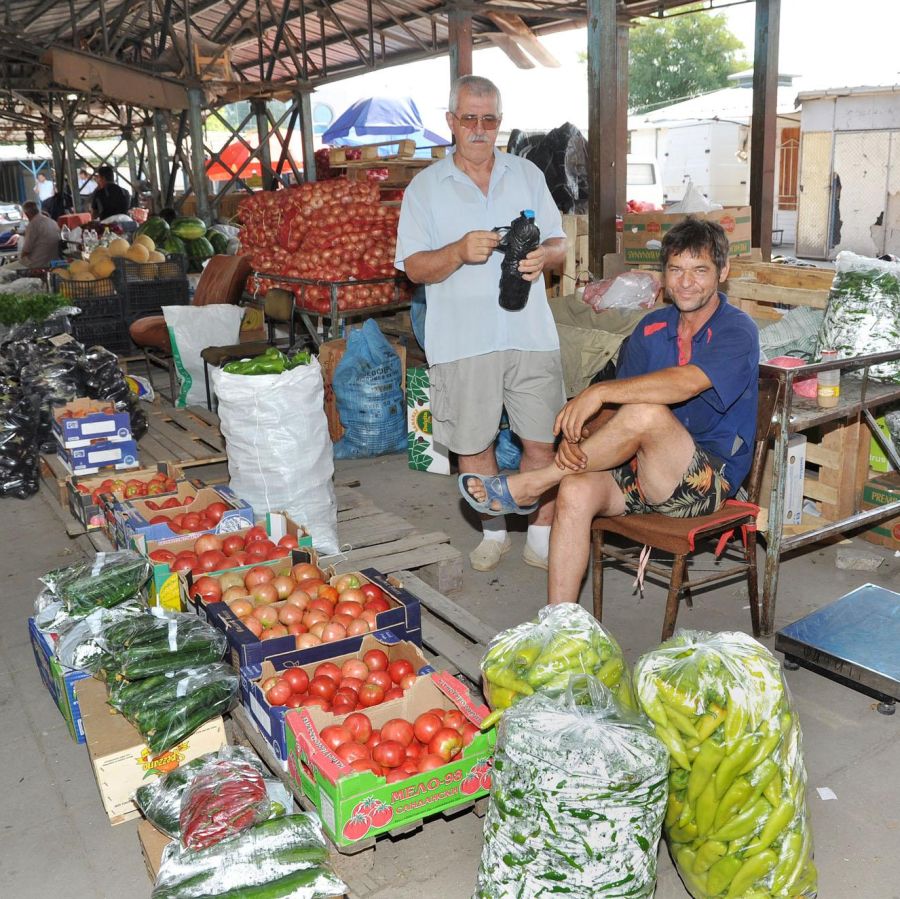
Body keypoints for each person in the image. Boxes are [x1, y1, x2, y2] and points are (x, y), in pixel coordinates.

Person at [459, 217, 759, 603]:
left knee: (647, 412)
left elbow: (683, 383)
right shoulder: (651, 327)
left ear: (723, 271)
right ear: (664, 274)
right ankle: (560, 625)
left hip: (707, 481)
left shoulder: (738, 330)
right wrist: (580, 441)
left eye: (699, 270)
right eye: (676, 270)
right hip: (642, 471)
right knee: (576, 488)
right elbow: (614, 410)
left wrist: (597, 392)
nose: (686, 282)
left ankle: (535, 482)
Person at [395, 75, 568, 573]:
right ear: (450, 121)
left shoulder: (527, 174)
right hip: (463, 341)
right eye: (468, 118)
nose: (478, 128)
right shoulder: (425, 188)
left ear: (499, 123)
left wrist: (543, 257)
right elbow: (413, 268)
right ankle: (493, 531)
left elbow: (559, 244)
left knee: (541, 442)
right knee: (474, 444)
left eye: (488, 119)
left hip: (530, 335)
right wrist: (456, 252)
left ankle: (540, 536)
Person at [9, 201, 61, 269]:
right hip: (52, 260)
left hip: (37, 264)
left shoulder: (33, 225)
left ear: (27, 214)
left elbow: (26, 250)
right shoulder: (52, 222)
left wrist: (20, 258)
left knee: (4, 270)